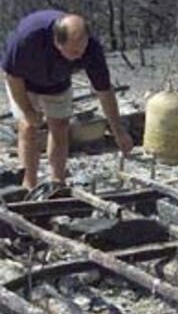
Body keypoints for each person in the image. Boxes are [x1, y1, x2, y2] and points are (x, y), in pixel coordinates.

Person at [1, 10, 134, 190]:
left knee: (60, 126)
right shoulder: (28, 38)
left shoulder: (91, 50)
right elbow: (11, 76)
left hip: (58, 81)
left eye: (82, 50)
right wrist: (28, 111)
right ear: (57, 41)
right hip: (24, 82)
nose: (80, 56)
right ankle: (28, 185)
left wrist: (118, 131)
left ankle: (57, 183)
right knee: (28, 127)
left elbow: (104, 91)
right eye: (74, 51)